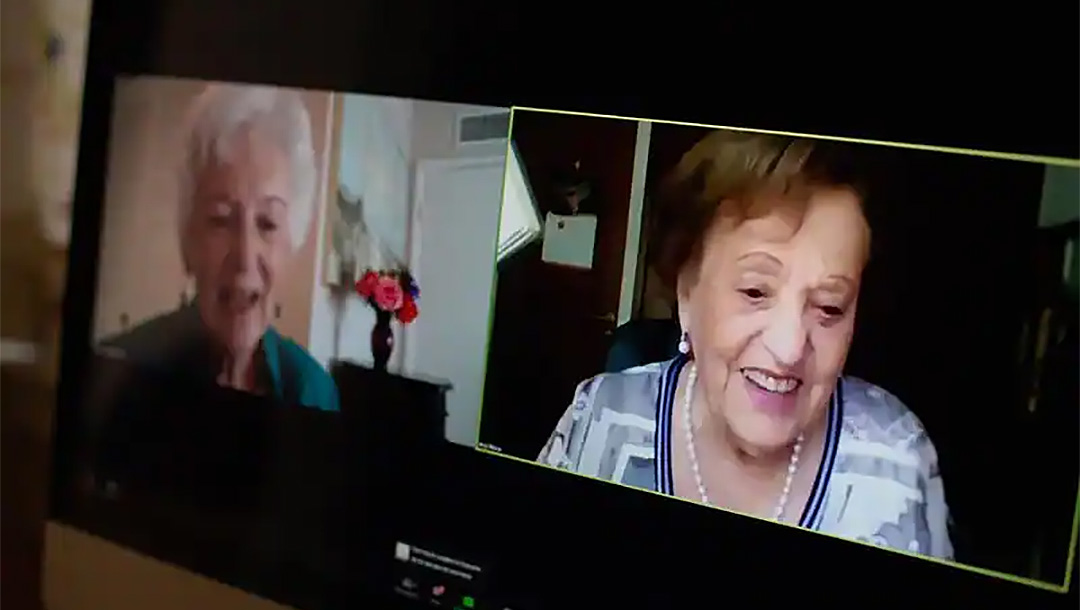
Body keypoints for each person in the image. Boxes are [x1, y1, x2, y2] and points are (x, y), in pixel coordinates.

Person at [538, 129, 953, 559]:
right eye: (755, 292)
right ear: (686, 293)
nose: (790, 348)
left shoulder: (895, 464)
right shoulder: (599, 423)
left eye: (830, 308)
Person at [99, 83, 338, 411]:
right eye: (221, 220)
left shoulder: (315, 392)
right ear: (188, 242)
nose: (244, 256)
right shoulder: (120, 371)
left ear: (290, 247)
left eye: (267, 223)